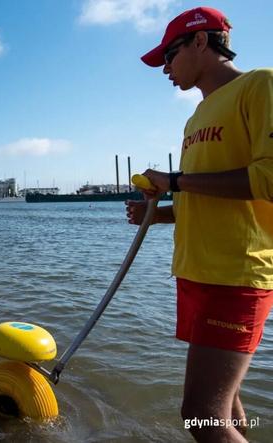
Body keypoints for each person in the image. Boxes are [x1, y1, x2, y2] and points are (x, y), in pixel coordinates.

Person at [128, 7, 273, 441]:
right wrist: (163, 212)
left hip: (236, 274)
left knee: (200, 415)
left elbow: (267, 180)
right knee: (224, 409)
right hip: (197, 273)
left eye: (168, 56)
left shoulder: (260, 85)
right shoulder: (196, 117)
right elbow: (213, 200)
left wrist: (174, 180)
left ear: (199, 41)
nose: (166, 69)